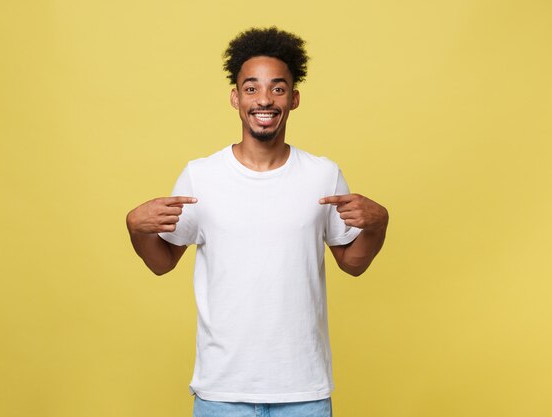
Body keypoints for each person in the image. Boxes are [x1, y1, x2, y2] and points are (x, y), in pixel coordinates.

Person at [126, 27, 388, 417]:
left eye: (278, 88)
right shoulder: (202, 176)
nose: (264, 99)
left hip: (303, 391)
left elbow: (352, 263)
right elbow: (163, 262)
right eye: (251, 88)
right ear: (235, 97)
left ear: (294, 98)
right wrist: (135, 227)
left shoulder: (322, 174)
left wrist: (379, 223)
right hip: (222, 390)